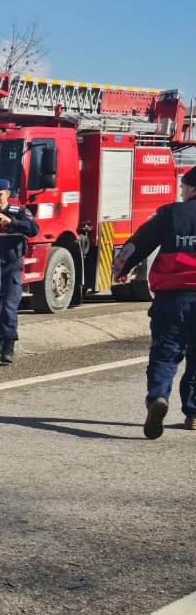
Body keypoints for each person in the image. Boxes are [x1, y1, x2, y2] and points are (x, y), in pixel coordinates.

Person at [112, 165, 196, 439]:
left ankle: (158, 398)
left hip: (172, 298)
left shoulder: (171, 214)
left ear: (192, 188)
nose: (181, 191)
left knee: (165, 353)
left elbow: (139, 242)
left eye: (183, 186)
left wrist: (120, 267)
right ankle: (193, 413)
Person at [0, 178, 39, 365]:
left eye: (0, 195)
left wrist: (12, 222)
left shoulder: (19, 212)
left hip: (11, 266)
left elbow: (34, 229)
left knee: (9, 307)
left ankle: (9, 347)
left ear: (8, 195)